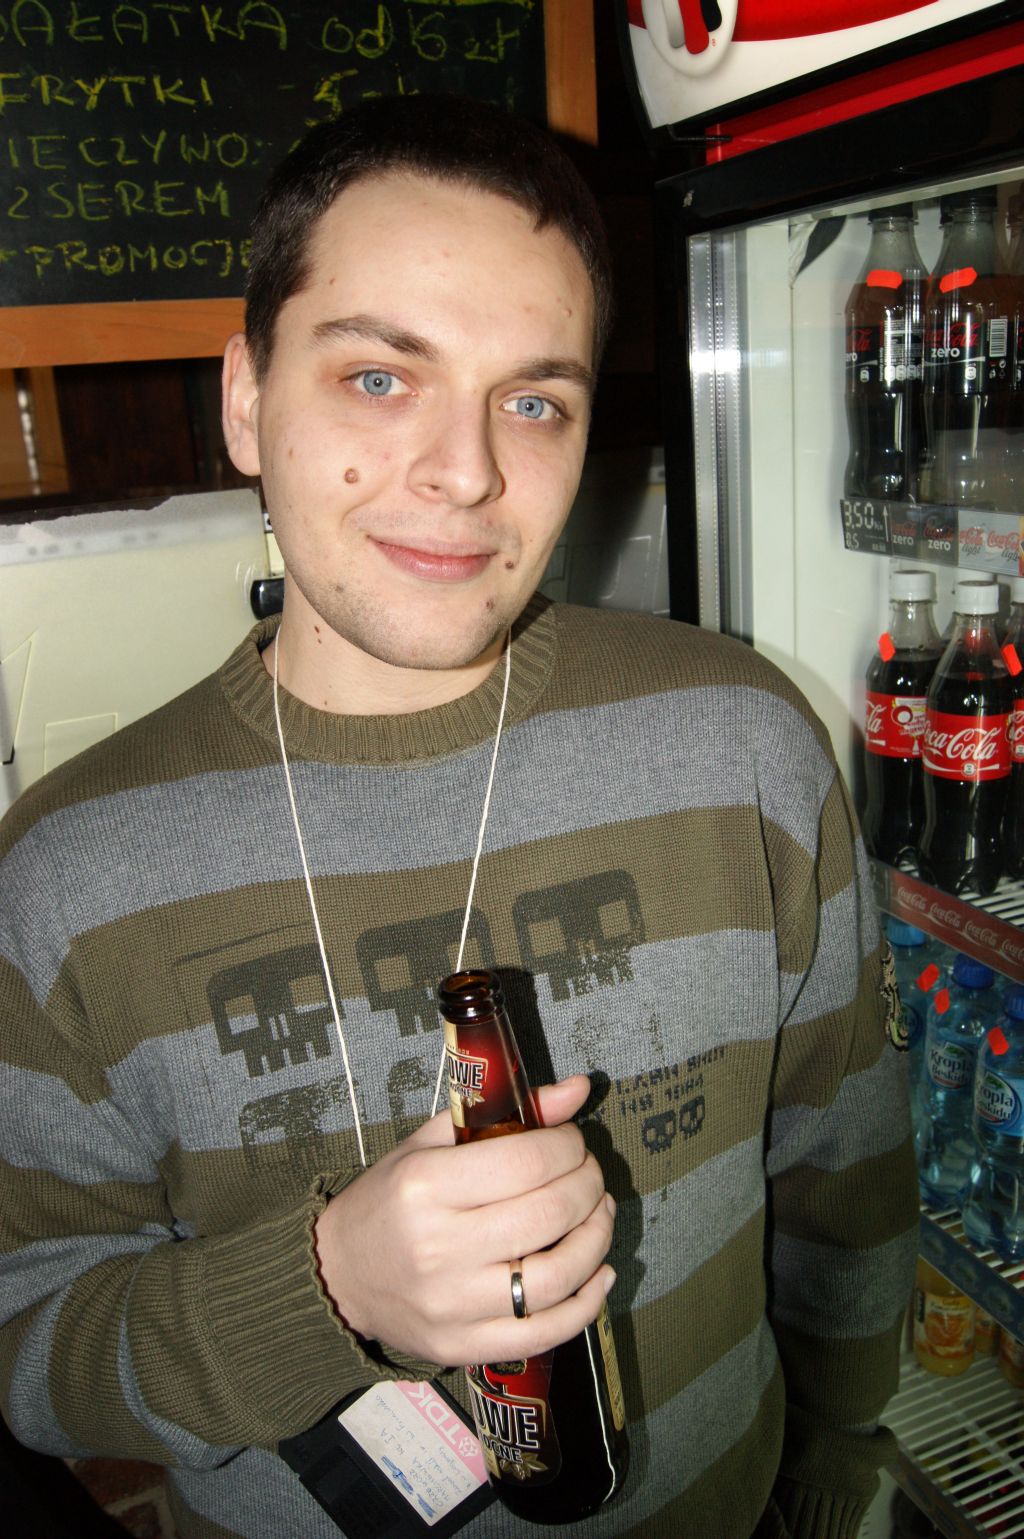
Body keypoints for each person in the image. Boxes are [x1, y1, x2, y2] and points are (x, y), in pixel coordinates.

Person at [0, 94, 917, 1539]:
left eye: (533, 401)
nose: (469, 471)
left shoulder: (741, 742)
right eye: (379, 378)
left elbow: (845, 1173)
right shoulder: (64, 877)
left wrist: (832, 1463)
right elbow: (32, 1348)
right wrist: (325, 1288)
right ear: (246, 400)